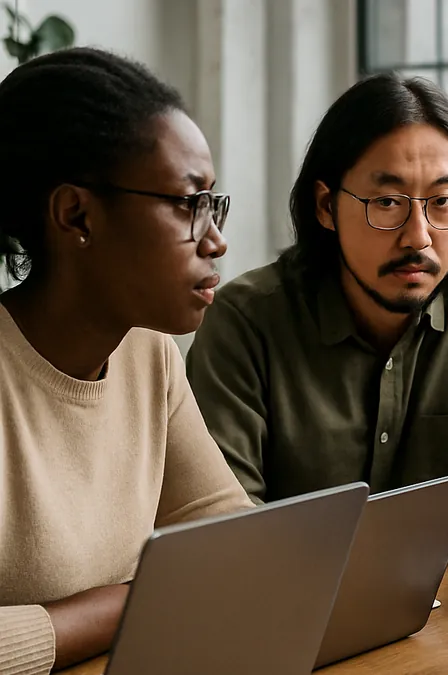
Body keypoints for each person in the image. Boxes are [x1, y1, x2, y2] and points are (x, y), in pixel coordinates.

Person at [186, 74, 448, 552]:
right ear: (326, 206)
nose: (419, 237)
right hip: (296, 602)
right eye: (387, 202)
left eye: (443, 202)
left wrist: (380, 540)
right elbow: (225, 517)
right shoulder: (245, 321)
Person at [0, 48, 254, 674]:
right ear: (76, 215)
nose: (215, 239)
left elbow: (231, 538)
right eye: (185, 203)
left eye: (212, 204)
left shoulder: (148, 353)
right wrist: (135, 601)